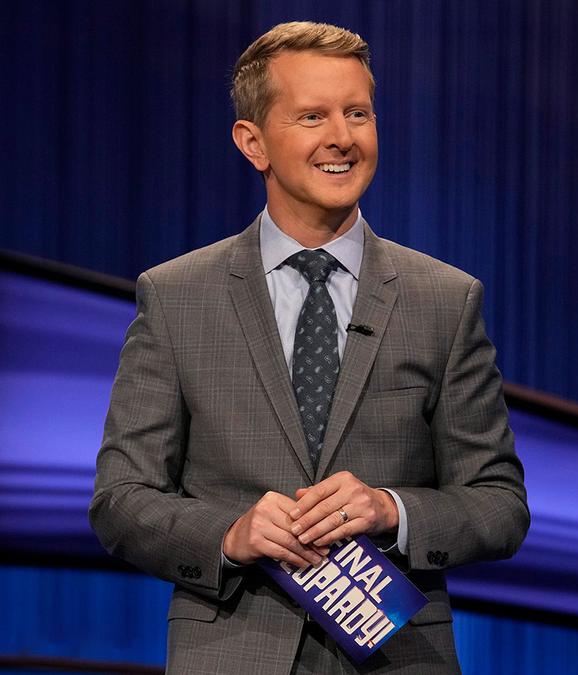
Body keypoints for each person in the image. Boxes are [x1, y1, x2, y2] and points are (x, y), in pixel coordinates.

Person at [89, 21, 528, 674]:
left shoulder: (445, 298)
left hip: (398, 653)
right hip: (231, 651)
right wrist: (230, 535)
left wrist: (392, 508)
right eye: (312, 116)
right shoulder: (177, 296)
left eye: (357, 113)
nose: (342, 138)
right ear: (253, 142)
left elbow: (499, 505)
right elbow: (121, 500)